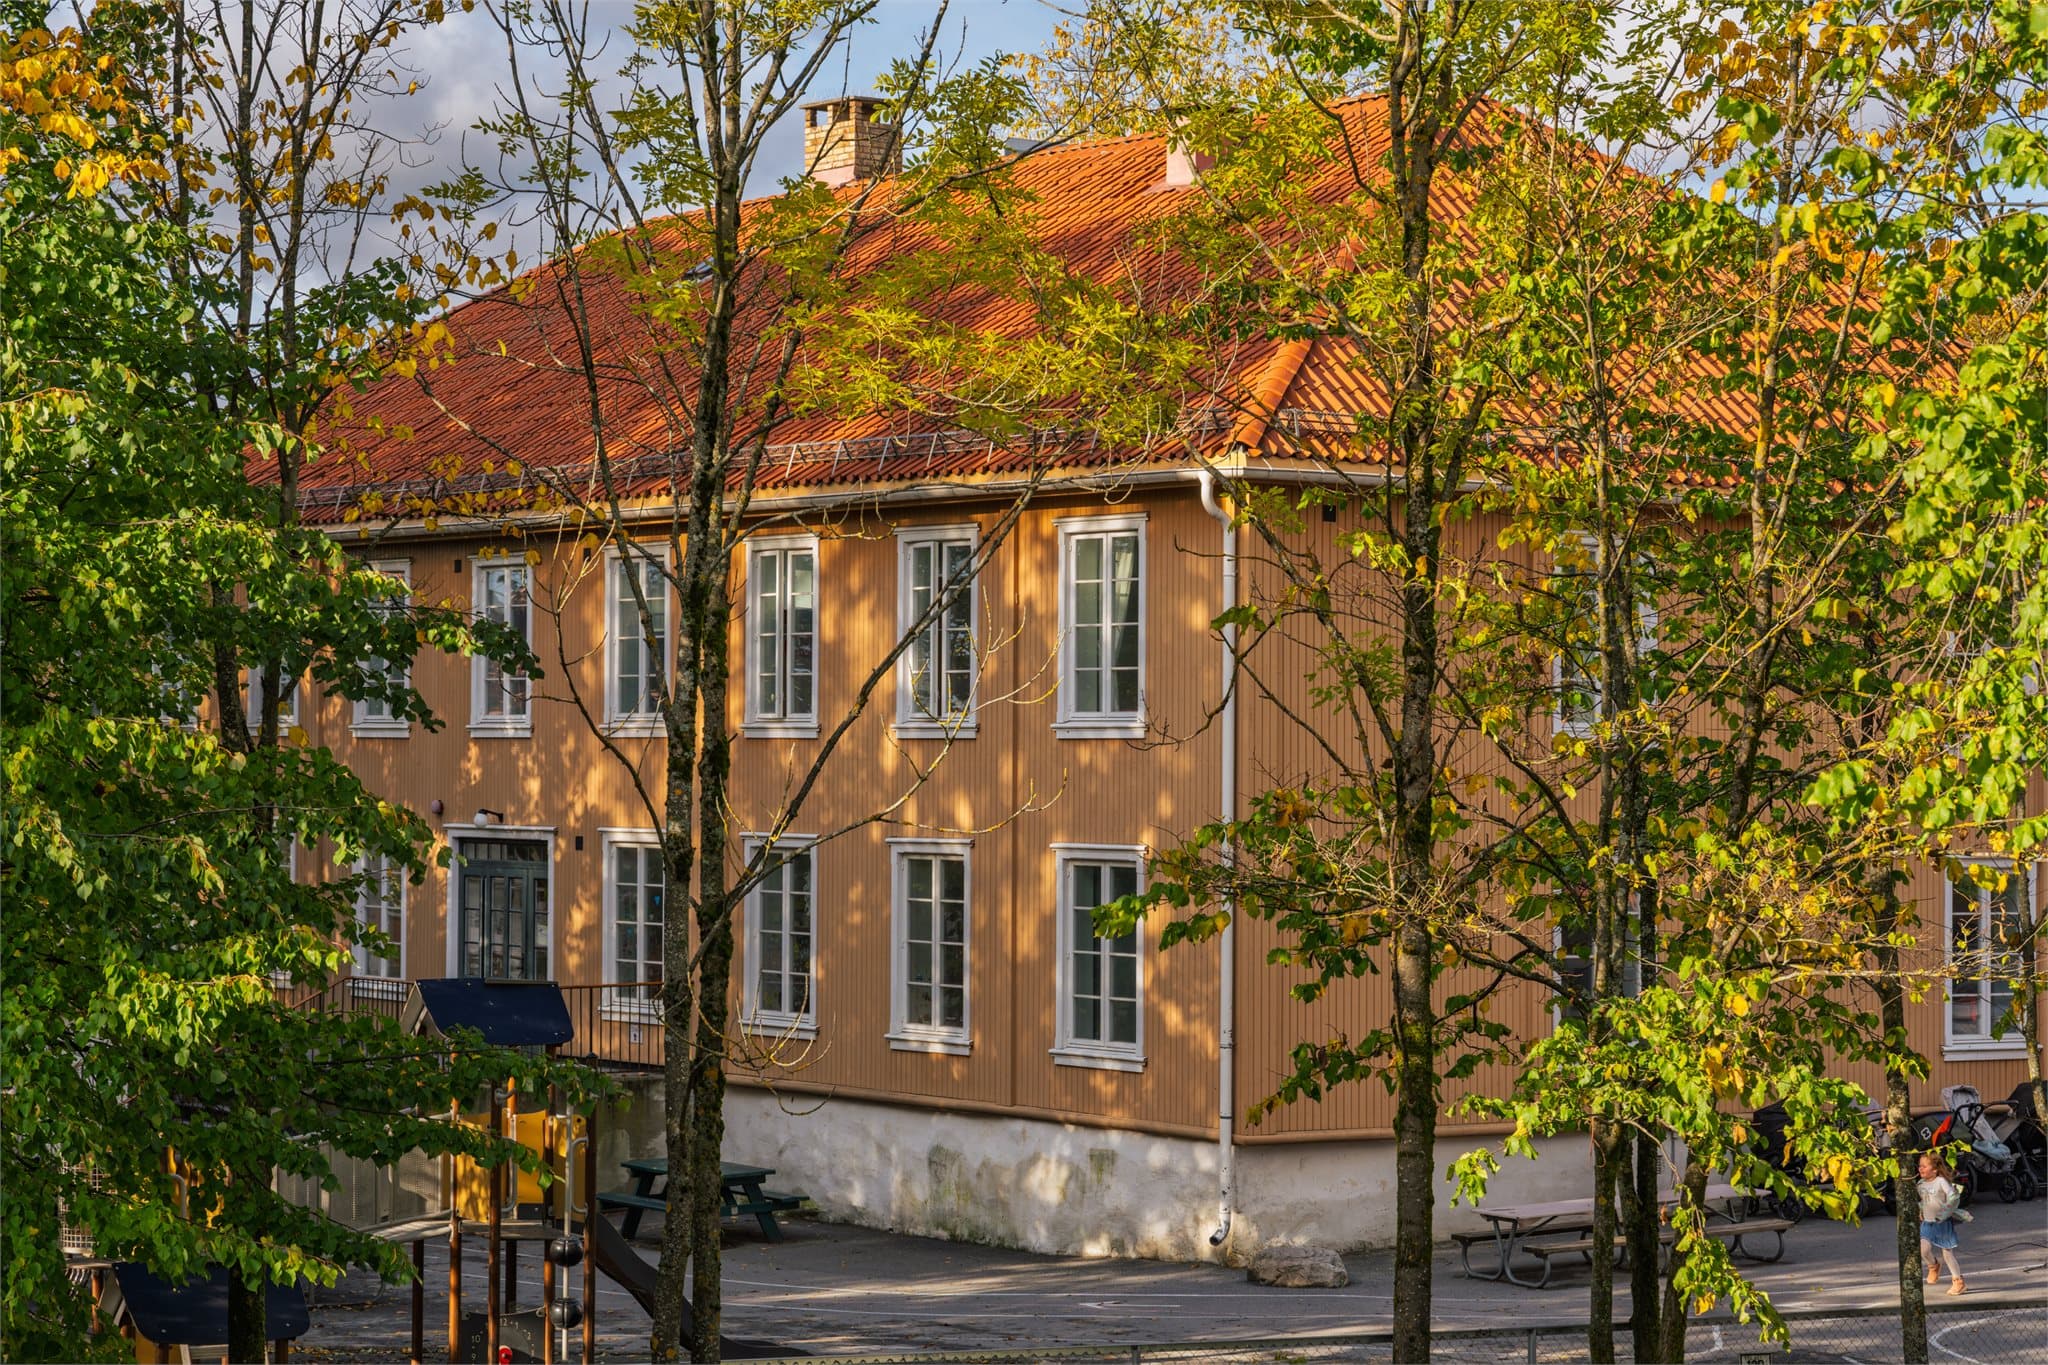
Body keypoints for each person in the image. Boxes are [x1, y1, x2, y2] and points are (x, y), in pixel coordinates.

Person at [1918, 1153, 1968, 1295]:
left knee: (1947, 1253)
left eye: (1924, 1166)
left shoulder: (1941, 1181)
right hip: (1927, 1223)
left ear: (1934, 1169)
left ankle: (1958, 1281)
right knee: (1923, 1250)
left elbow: (1953, 1196)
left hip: (1942, 1223)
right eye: (1919, 1165)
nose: (1920, 1168)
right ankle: (1933, 1265)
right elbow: (1924, 1200)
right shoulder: (1920, 1185)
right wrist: (1921, 1209)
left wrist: (1945, 1212)